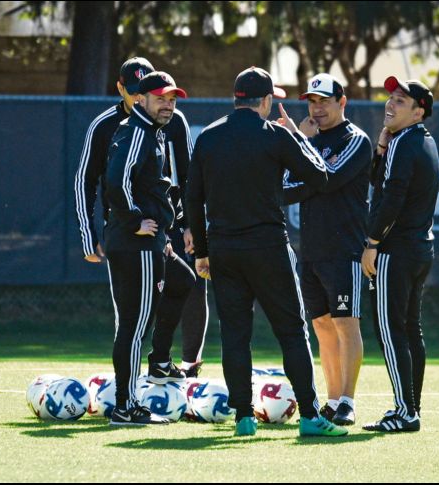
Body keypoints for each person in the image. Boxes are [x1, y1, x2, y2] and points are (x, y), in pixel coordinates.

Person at [185, 66, 348, 438]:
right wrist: (298, 136)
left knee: (235, 335)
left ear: (236, 99)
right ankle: (310, 415)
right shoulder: (276, 135)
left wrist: (202, 253)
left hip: (224, 250)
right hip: (268, 248)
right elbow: (320, 176)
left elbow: (193, 199)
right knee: (291, 332)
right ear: (267, 101)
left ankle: (244, 417)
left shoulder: (208, 136)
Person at [73, 57, 206, 386]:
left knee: (184, 282)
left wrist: (189, 224)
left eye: (163, 96)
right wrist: (92, 234)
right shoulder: (113, 126)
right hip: (130, 232)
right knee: (131, 318)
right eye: (134, 92)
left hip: (162, 228)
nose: (139, 98)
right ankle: (126, 395)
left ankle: (163, 361)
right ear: (122, 89)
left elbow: (187, 176)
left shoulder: (169, 120)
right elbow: (91, 181)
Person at [102, 70, 193, 426]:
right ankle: (126, 406)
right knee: (134, 326)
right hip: (135, 243)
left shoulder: (151, 131)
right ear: (140, 99)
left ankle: (159, 361)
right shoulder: (137, 131)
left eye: (171, 100)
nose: (168, 105)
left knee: (182, 280)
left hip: (151, 241)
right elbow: (116, 181)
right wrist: (135, 220)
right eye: (160, 99)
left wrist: (162, 235)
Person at [282, 73, 372, 426]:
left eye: (324, 101)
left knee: (346, 323)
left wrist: (299, 142)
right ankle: (332, 400)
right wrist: (302, 145)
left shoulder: (355, 140)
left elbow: (329, 177)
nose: (317, 109)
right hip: (311, 249)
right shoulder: (310, 141)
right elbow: (286, 188)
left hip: (344, 249)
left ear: (342, 102)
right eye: (312, 102)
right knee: (321, 324)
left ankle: (348, 400)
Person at [361, 76, 439, 433]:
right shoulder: (423, 142)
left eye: (401, 101)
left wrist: (372, 243)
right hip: (420, 249)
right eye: (390, 98)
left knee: (391, 332)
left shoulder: (404, 143)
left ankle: (405, 411)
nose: (390, 105)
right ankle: (412, 407)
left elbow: (391, 199)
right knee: (409, 329)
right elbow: (380, 182)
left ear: (418, 112)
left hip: (395, 251)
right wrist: (381, 146)